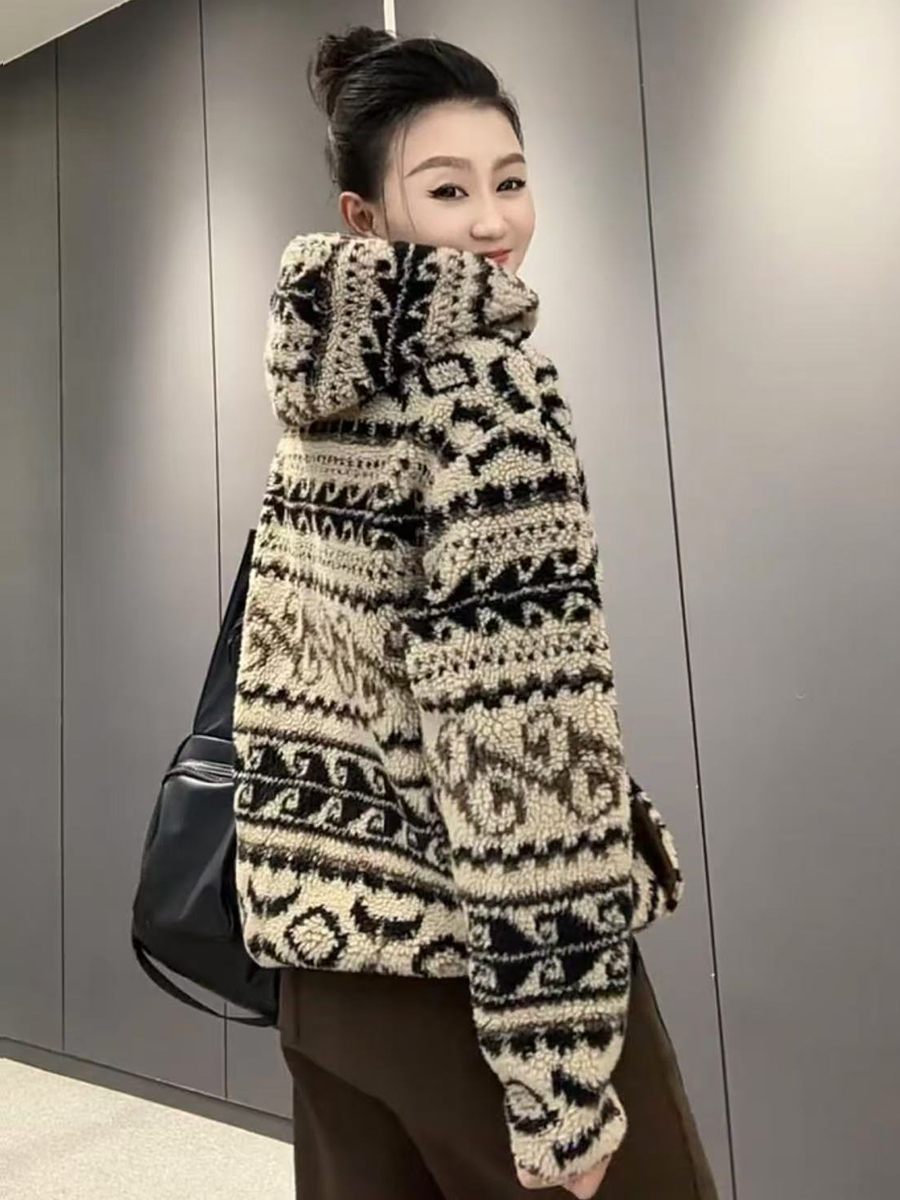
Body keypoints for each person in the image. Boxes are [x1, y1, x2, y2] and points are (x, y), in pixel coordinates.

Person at [232, 24, 717, 1200]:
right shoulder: (489, 393)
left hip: (324, 969)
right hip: (471, 974)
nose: (494, 221)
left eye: (510, 180)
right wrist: (561, 1078)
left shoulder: (317, 410)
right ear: (364, 219)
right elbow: (520, 740)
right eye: (448, 190)